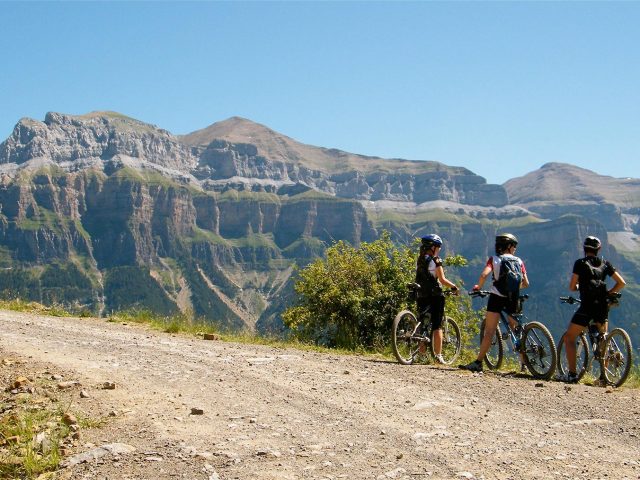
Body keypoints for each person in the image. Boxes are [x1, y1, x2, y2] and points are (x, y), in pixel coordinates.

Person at [560, 235, 626, 383]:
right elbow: (621, 282)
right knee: (603, 339)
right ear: (598, 249)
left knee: (569, 337)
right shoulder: (605, 263)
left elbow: (572, 286)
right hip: (603, 306)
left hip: (587, 306)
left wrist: (579, 287)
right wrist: (609, 293)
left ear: (585, 249)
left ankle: (571, 375)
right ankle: (603, 378)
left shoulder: (580, 263)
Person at [460, 233, 529, 372]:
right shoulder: (519, 261)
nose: (515, 249)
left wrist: (478, 287)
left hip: (496, 297)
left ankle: (478, 362)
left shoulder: (494, 259)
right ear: (509, 246)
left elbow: (484, 275)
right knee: (516, 330)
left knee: (489, 331)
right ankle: (524, 364)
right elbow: (526, 283)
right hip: (513, 298)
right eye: (514, 246)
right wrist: (513, 289)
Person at [415, 234, 459, 364]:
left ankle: (421, 355)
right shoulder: (436, 261)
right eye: (438, 247)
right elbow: (442, 279)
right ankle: (438, 355)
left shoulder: (420, 259)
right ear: (433, 247)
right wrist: (454, 287)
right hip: (435, 296)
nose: (439, 249)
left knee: (422, 323)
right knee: (437, 325)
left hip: (421, 294)